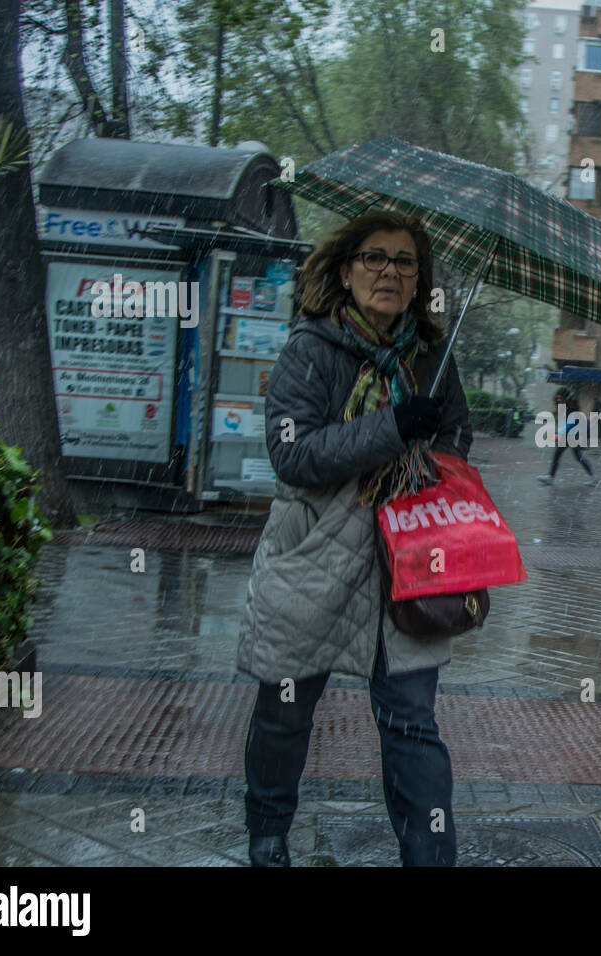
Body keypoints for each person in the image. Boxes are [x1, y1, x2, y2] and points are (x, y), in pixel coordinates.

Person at [238, 209, 472, 867]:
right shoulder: (309, 350)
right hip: (314, 555)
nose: (389, 272)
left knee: (411, 723)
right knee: (284, 709)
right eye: (375, 257)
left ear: (419, 279)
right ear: (346, 270)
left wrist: (431, 455)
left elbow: (458, 436)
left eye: (404, 261)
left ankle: (431, 857)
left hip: (410, 559)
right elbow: (294, 454)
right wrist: (392, 428)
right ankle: (268, 835)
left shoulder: (432, 356)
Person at [539, 387, 595, 484]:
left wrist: (558, 433)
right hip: (566, 435)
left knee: (578, 457)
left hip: (574, 435)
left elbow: (571, 423)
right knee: (557, 455)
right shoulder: (563, 406)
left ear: (565, 397)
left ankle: (593, 477)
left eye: (560, 398)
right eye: (557, 398)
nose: (558, 400)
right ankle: (550, 478)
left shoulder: (572, 406)